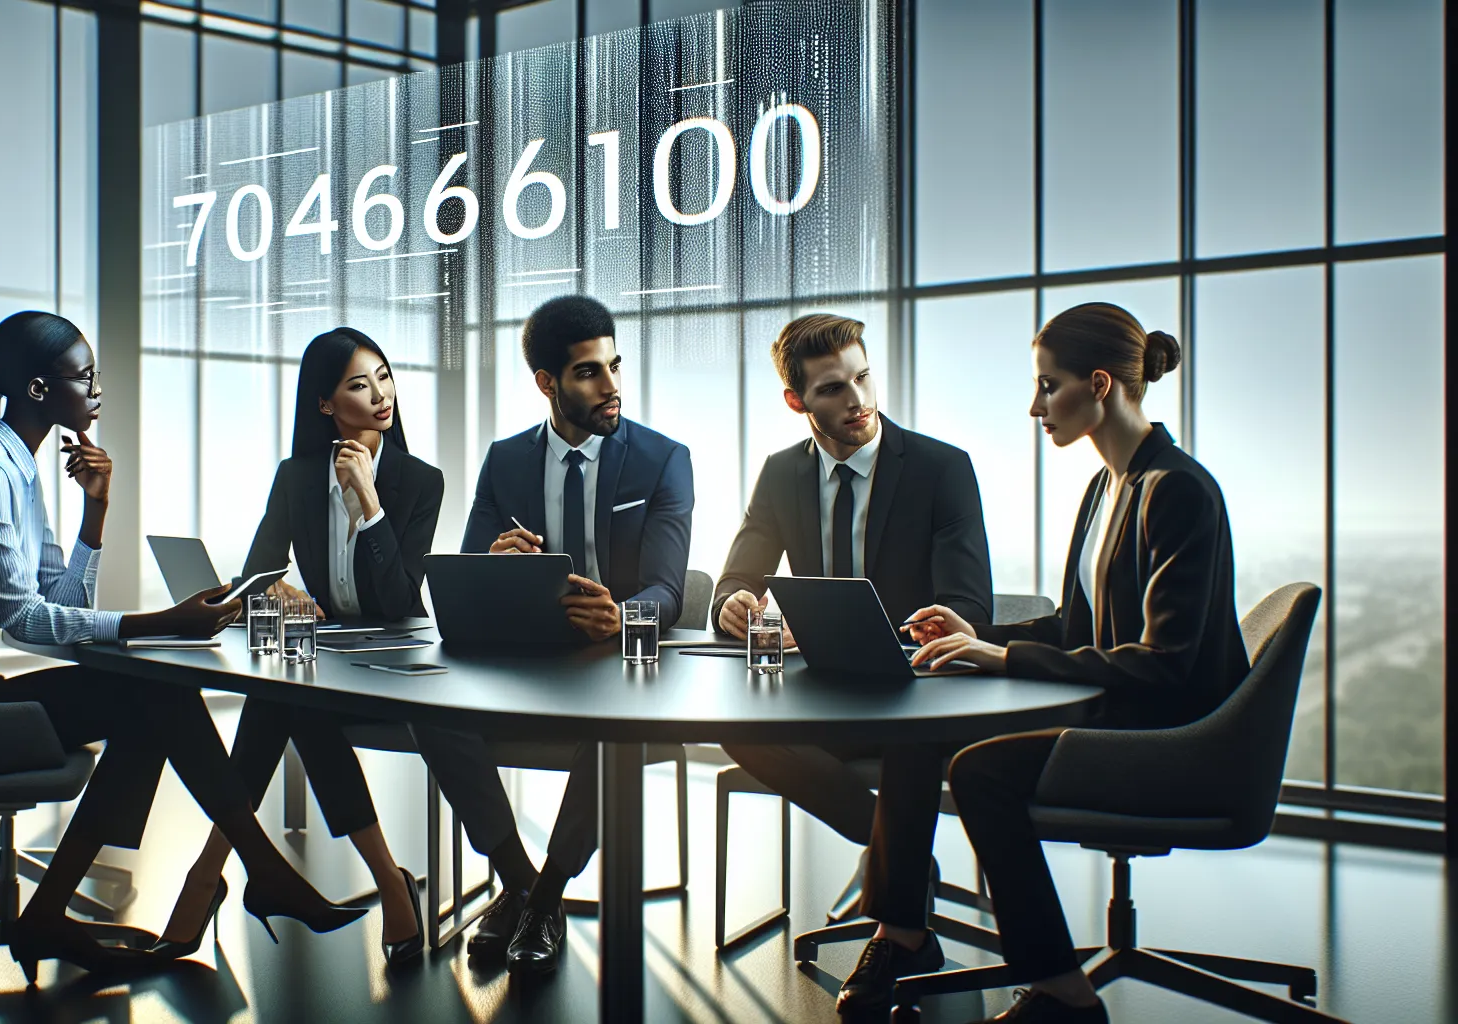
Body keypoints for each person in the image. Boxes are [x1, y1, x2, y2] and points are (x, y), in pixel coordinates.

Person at [0, 311, 364, 973]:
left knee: (152, 696)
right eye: (81, 376)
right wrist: (161, 623)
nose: (96, 387)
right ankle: (260, 872)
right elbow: (28, 621)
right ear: (35, 391)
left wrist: (96, 508)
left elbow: (64, 602)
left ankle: (65, 911)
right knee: (153, 697)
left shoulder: (19, 470)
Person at [908, 303, 1247, 1024]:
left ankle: (1062, 994)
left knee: (980, 772)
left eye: (1047, 386)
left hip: (1172, 739)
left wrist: (1000, 659)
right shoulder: (1106, 486)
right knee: (925, 742)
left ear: (1100, 384)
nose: (1035, 407)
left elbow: (1167, 667)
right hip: (1127, 716)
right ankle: (902, 932)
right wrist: (982, 632)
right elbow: (1075, 627)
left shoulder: (1176, 490)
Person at [707, 313, 993, 1019]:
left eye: (863, 377)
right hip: (825, 693)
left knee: (911, 743)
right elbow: (732, 580)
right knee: (739, 729)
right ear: (798, 401)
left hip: (916, 695)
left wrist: (922, 632)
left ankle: (901, 934)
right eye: (833, 388)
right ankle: (897, 856)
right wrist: (733, 607)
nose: (858, 399)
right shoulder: (781, 474)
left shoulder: (940, 467)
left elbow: (967, 603)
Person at [413, 294, 693, 975]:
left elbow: (669, 591)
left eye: (615, 366)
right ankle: (519, 880)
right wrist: (493, 566)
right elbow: (460, 580)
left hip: (614, 660)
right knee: (430, 710)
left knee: (614, 719)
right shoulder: (505, 461)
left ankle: (546, 894)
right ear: (548, 383)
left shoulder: (662, 459)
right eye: (590, 372)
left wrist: (624, 617)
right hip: (525, 656)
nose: (612, 386)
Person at [154, 327, 441, 967]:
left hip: (397, 671)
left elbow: (399, 603)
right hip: (329, 671)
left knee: (285, 699)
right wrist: (274, 591)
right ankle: (387, 878)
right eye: (358, 384)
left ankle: (209, 875)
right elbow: (256, 572)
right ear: (324, 403)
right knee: (289, 698)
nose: (380, 395)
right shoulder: (296, 477)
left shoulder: (420, 482)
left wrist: (369, 504)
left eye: (385, 377)